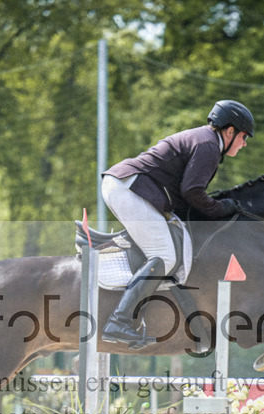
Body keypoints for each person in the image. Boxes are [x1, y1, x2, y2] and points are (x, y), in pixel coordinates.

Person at [99, 100, 254, 349]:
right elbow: (192, 191)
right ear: (230, 131)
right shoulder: (208, 146)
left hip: (128, 186)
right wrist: (221, 208)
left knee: (166, 249)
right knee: (165, 256)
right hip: (128, 188)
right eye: (244, 137)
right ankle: (119, 321)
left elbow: (187, 194)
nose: (245, 143)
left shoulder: (205, 141)